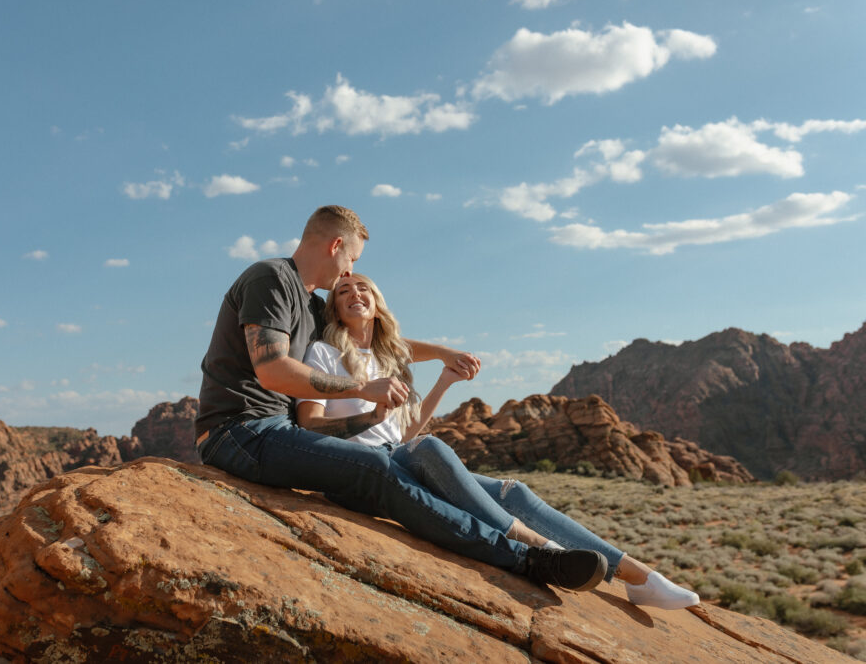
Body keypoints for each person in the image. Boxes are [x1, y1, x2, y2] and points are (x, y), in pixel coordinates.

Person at [196, 204, 608, 591]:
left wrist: (443, 355)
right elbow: (271, 370)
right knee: (377, 467)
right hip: (238, 432)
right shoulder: (270, 278)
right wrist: (361, 388)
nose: (349, 271)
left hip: (272, 432)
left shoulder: (311, 304)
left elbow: (370, 341)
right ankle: (528, 560)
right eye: (352, 260)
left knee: (412, 467)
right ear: (336, 246)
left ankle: (545, 548)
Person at [296, 272, 700, 610]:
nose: (353, 293)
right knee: (431, 449)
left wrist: (444, 378)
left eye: (362, 287)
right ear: (334, 309)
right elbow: (309, 427)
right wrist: (368, 414)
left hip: (397, 455)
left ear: (377, 301)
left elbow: (402, 435)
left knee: (514, 490)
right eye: (343, 292)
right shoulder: (323, 354)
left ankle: (638, 577)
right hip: (360, 468)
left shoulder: (388, 360)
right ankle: (541, 548)